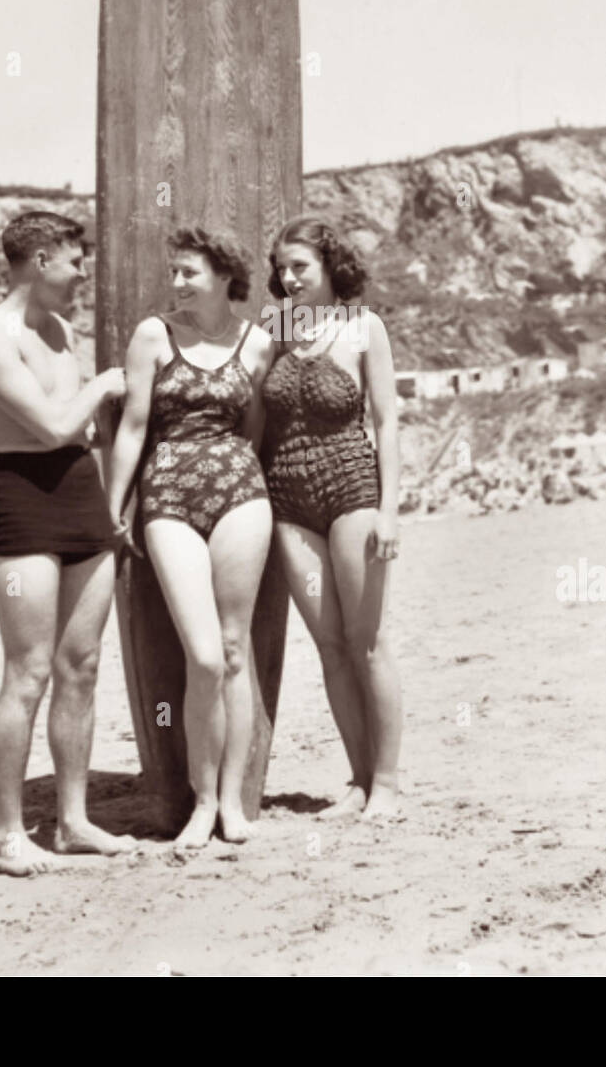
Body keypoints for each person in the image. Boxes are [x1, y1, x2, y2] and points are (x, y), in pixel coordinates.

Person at [0, 211, 137, 875]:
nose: (82, 274)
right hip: (23, 498)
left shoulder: (62, 331)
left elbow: (81, 437)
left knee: (81, 666)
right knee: (28, 671)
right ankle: (8, 835)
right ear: (38, 260)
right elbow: (53, 425)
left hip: (79, 496)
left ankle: (71, 821)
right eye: (73, 261)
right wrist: (104, 382)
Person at [105, 226, 275, 850]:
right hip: (169, 493)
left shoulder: (256, 343)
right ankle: (200, 802)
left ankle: (230, 802)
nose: (176, 283)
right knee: (202, 655)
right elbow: (134, 426)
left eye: (188, 273)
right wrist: (114, 506)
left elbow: (253, 428)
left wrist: (241, 481)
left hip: (240, 492)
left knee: (235, 650)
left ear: (225, 276)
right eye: (174, 272)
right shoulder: (155, 334)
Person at [261, 216, 403, 820]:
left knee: (365, 642)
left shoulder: (362, 326)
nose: (289, 278)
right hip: (287, 499)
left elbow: (387, 419)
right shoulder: (273, 329)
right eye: (282, 268)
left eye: (301, 267)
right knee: (330, 648)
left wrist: (389, 511)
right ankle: (357, 779)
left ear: (328, 267)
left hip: (351, 488)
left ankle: (390, 785)